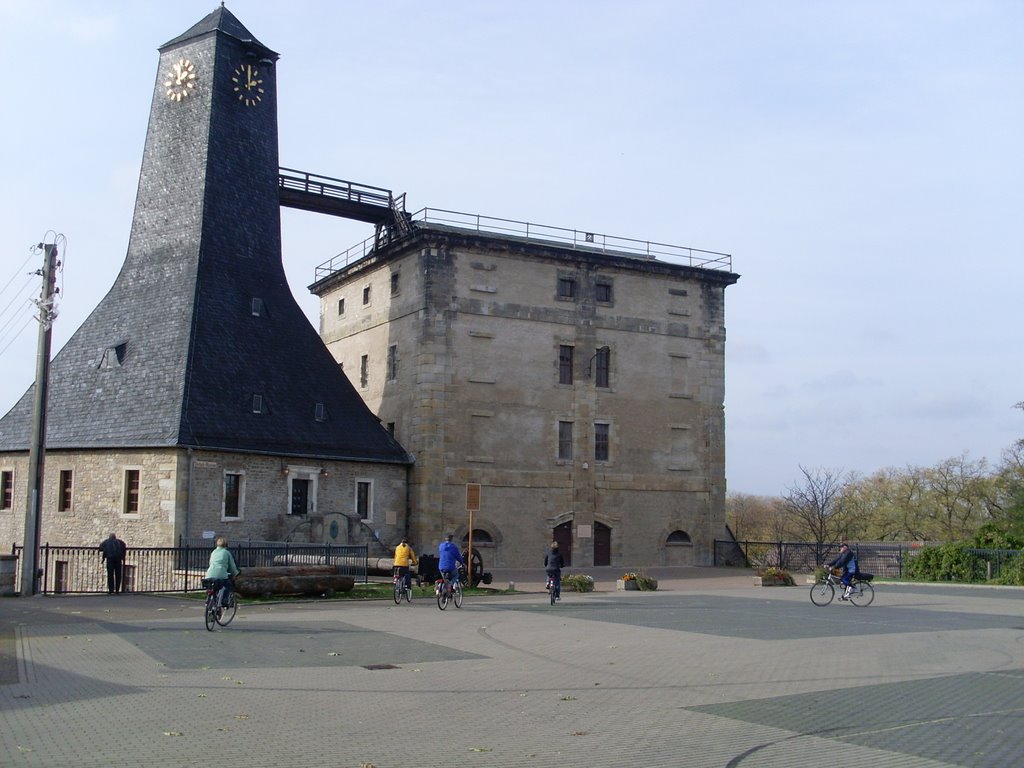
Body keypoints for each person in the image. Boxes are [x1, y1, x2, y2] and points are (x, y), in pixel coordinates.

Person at [205, 537, 240, 607]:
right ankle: (224, 600)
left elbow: (210, 563)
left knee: (213, 587)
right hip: (221, 575)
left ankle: (209, 600)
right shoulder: (227, 553)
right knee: (228, 586)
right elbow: (232, 566)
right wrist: (236, 574)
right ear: (226, 545)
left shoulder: (213, 552)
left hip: (209, 574)